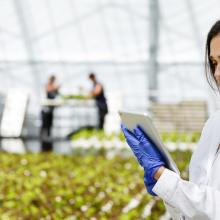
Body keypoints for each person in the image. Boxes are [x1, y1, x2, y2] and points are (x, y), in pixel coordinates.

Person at [121, 20, 220, 220]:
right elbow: (198, 203)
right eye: (214, 62)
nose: (217, 73)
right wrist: (167, 181)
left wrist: (163, 177)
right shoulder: (214, 123)